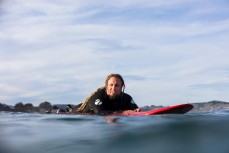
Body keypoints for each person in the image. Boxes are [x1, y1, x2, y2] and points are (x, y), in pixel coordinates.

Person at [75, 73, 141, 115]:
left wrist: (136, 110)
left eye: (117, 85)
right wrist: (123, 112)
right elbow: (100, 113)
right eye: (111, 85)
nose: (113, 88)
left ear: (121, 87)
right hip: (77, 111)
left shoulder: (127, 98)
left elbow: (136, 110)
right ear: (106, 86)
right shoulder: (97, 97)